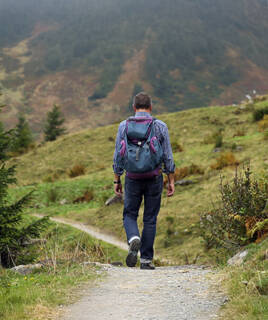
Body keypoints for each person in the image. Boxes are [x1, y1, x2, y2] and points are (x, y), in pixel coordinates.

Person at [113, 92, 175, 270]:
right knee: (150, 218)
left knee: (129, 214)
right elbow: (168, 156)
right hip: (154, 176)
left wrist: (117, 179)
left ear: (133, 108)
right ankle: (146, 260)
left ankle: (133, 237)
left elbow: (118, 154)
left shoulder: (123, 126)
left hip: (132, 177)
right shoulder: (160, 126)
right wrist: (171, 180)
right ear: (151, 107)